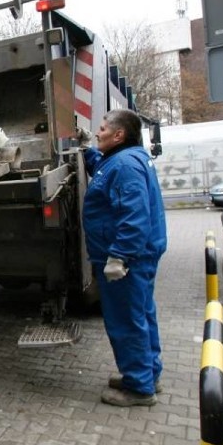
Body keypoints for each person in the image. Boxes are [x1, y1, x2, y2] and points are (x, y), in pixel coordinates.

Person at [79, 110, 167, 407]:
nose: (97, 133)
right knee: (142, 315)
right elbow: (103, 171)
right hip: (140, 257)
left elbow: (134, 216)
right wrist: (86, 150)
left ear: (119, 135)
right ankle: (147, 374)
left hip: (128, 259)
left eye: (102, 129)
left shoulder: (125, 166)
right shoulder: (124, 159)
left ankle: (139, 389)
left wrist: (119, 257)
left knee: (126, 321)